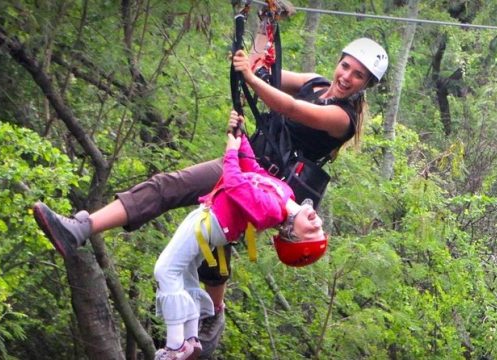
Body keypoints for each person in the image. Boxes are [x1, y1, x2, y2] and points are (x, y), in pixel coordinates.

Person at [32, 14, 388, 356]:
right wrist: (265, 25)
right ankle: (80, 228)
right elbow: (265, 69)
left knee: (211, 240)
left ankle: (212, 316)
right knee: (168, 187)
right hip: (246, 160)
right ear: (338, 62)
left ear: (366, 85)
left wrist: (251, 77)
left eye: (358, 76)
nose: (347, 77)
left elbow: (290, 107)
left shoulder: (342, 119)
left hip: (268, 188)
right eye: (346, 66)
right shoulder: (315, 82)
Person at [152, 110, 327, 359]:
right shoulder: (285, 192)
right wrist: (241, 135)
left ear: (290, 234)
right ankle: (191, 338)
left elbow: (234, 183)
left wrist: (231, 150)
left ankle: (175, 344)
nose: (316, 222)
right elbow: (252, 168)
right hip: (208, 217)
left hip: (210, 223)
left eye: (311, 231)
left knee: (165, 270)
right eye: (319, 227)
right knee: (186, 274)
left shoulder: (270, 211)